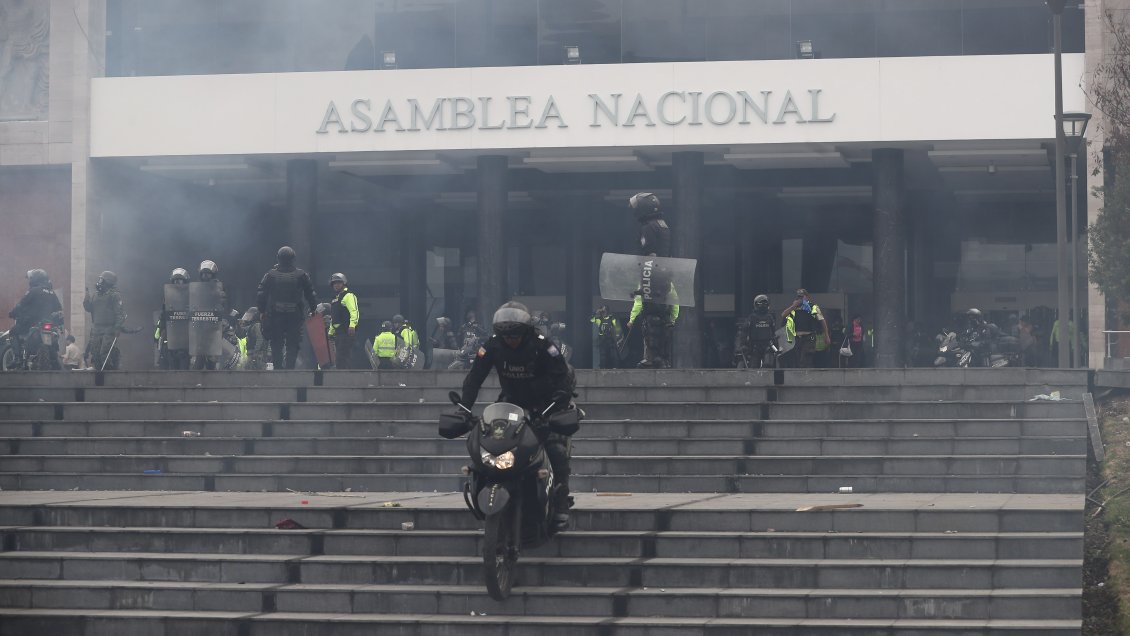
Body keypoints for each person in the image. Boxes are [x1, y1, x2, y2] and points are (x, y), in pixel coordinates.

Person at [458, 301, 577, 530]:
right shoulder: (492, 346)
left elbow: (562, 377)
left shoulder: (543, 346)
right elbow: (474, 378)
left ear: (526, 331)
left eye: (515, 336)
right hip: (512, 403)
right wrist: (464, 407)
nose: (510, 341)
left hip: (546, 403)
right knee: (491, 441)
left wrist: (555, 405)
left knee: (556, 449)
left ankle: (561, 500)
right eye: (506, 337)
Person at [257, 246, 318, 370]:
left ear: (278, 258)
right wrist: (313, 308)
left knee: (276, 343)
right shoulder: (301, 275)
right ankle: (289, 369)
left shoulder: (270, 274)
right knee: (293, 343)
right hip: (294, 314)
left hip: (276, 314)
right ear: (293, 258)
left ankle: (278, 369)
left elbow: (261, 294)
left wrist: (262, 310)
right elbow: (310, 293)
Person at [8, 268, 63, 368]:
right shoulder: (51, 292)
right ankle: (55, 362)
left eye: (31, 278)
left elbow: (21, 304)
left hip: (31, 323)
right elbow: (58, 308)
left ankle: (17, 358)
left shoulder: (33, 291)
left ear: (36, 279)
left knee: (13, 332)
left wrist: (12, 313)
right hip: (49, 324)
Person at [627, 266, 679, 369]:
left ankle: (650, 360)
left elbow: (638, 303)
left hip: (650, 316)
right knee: (663, 339)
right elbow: (674, 300)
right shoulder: (667, 282)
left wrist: (632, 319)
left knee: (650, 338)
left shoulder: (645, 282)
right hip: (664, 316)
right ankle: (663, 361)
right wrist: (673, 318)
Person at [83, 270, 126, 370]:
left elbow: (119, 313)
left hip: (109, 329)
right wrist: (86, 300)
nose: (99, 282)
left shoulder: (114, 295)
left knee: (104, 354)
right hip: (96, 328)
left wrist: (117, 327)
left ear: (108, 282)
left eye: (101, 280)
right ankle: (99, 376)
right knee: (95, 354)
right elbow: (89, 309)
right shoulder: (95, 295)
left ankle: (110, 372)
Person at [781, 289, 829, 369]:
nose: (800, 299)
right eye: (798, 297)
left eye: (802, 297)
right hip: (797, 339)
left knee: (806, 359)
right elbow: (783, 315)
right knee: (798, 360)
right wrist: (793, 306)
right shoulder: (794, 308)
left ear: (806, 297)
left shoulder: (813, 307)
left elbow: (822, 321)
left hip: (809, 338)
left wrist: (826, 335)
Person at [158, 267, 190, 370]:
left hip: (187, 331)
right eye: (175, 280)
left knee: (185, 361)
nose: (177, 283)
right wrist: (162, 329)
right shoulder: (167, 296)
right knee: (171, 360)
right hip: (171, 331)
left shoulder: (192, 294)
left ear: (184, 281)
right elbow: (164, 314)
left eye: (179, 280)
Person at [734, 295, 777, 368]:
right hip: (754, 346)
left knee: (768, 365)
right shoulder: (752, 318)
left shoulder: (770, 317)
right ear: (756, 305)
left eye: (765, 303)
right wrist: (742, 345)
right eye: (761, 304)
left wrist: (777, 346)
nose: (763, 305)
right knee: (753, 367)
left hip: (768, 346)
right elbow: (743, 332)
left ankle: (766, 378)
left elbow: (774, 333)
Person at [327, 273, 359, 369]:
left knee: (343, 357)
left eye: (339, 282)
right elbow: (334, 318)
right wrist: (331, 332)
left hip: (346, 331)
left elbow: (354, 311)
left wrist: (352, 325)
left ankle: (345, 379)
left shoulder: (348, 295)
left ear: (344, 283)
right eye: (334, 283)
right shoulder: (335, 299)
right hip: (338, 333)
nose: (336, 285)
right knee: (339, 357)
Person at [629, 192, 671, 257]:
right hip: (662, 264)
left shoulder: (648, 226)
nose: (635, 211)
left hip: (652, 265)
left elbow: (650, 254)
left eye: (637, 208)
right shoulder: (660, 223)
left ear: (643, 208)